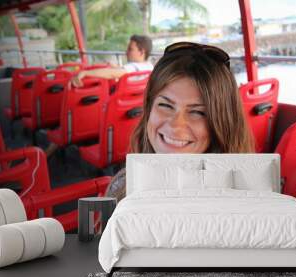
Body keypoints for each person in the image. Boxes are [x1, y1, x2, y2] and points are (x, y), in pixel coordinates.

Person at [105, 41, 255, 202]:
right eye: (165, 105)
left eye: (197, 112)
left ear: (223, 124)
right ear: (149, 109)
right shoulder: (122, 187)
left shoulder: (246, 204)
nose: (176, 125)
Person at [71, 34, 153, 86]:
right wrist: (118, 67)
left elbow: (112, 74)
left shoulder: (133, 67)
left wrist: (85, 73)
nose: (126, 52)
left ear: (142, 52)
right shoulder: (149, 67)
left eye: (130, 49)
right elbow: (128, 71)